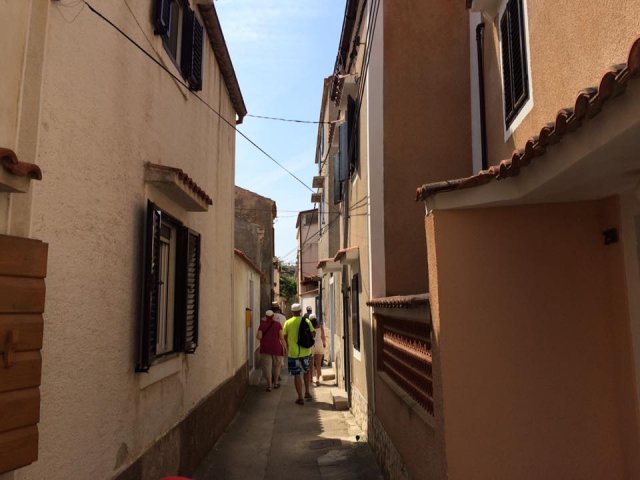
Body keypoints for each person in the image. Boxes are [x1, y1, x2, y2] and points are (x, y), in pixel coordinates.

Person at [282, 303, 315, 405]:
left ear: (292, 312)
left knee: (296, 374)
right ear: (300, 311)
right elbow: (313, 333)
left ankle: (300, 397)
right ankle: (307, 392)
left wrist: (287, 346)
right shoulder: (307, 321)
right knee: (306, 371)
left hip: (293, 353)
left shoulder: (288, 322)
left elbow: (284, 336)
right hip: (305, 352)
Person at [256, 310, 286, 392]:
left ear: (266, 316)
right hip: (276, 348)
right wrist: (285, 347)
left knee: (267, 367)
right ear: (273, 316)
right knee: (277, 366)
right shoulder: (277, 324)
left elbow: (259, 337)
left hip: (265, 348)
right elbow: (281, 337)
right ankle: (276, 383)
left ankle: (269, 385)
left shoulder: (262, 325)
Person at [309, 314, 326, 386]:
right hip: (319, 344)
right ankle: (317, 380)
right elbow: (323, 336)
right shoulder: (320, 326)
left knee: (311, 363)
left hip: (311, 345)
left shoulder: (309, 326)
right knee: (318, 364)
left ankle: (310, 378)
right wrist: (324, 343)